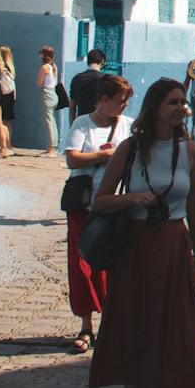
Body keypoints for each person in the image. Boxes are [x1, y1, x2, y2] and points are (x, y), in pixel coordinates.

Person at [88, 78, 195, 388]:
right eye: (172, 102)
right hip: (136, 246)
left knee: (178, 329)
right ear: (155, 108)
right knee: (136, 324)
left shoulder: (191, 151)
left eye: (182, 103)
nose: (180, 109)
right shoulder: (130, 149)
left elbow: (194, 208)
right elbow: (100, 201)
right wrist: (133, 198)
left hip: (174, 245)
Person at [62, 74, 134, 354]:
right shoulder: (83, 124)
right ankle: (86, 325)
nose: (124, 106)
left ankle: (111, 324)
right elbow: (71, 158)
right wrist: (103, 157)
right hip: (84, 205)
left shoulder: (128, 126)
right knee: (82, 266)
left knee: (112, 267)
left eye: (127, 102)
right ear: (103, 100)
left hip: (116, 205)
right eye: (119, 102)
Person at [70, 48, 107, 123]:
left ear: (88, 61)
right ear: (102, 61)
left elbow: (72, 106)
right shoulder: (104, 79)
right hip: (98, 123)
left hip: (81, 122)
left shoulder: (76, 78)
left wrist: (72, 125)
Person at [36, 46, 61, 156]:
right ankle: (53, 147)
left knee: (49, 121)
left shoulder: (45, 67)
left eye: (41, 52)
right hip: (54, 93)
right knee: (52, 120)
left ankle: (51, 149)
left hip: (47, 93)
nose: (39, 54)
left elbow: (39, 83)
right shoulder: (53, 66)